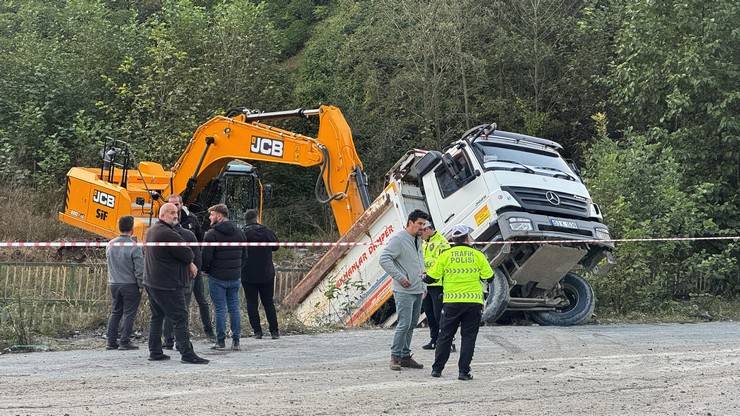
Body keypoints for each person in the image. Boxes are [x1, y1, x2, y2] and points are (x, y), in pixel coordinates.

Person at [426, 224, 493, 380]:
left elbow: (431, 278)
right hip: (473, 302)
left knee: (445, 336)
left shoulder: (446, 255)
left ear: (453, 239)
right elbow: (489, 277)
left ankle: (437, 369)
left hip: (451, 302)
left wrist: (424, 277)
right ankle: (463, 372)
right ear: (466, 238)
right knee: (468, 337)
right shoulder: (478, 255)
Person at [144, 202, 209, 364]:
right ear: (162, 215)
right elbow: (187, 254)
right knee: (180, 317)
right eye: (171, 213)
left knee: (157, 316)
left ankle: (155, 351)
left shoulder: (152, 230)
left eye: (176, 212)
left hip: (152, 281)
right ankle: (187, 353)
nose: (175, 215)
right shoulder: (168, 233)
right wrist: (190, 262)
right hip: (168, 284)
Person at [379, 209, 430, 371]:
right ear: (410, 223)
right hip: (403, 290)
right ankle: (395, 357)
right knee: (404, 323)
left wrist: (424, 286)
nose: (422, 227)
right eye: (420, 224)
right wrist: (400, 277)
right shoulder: (399, 239)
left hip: (417, 289)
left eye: (424, 224)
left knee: (412, 323)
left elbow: (419, 263)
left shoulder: (417, 240)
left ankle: (405, 356)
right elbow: (384, 259)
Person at [166, 194, 214, 341]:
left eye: (176, 204)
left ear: (181, 204)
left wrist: (198, 266)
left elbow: (200, 242)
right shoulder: (164, 222)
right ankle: (172, 337)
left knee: (202, 301)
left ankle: (209, 332)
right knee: (176, 304)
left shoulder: (191, 220)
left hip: (194, 269)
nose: (174, 207)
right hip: (175, 271)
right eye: (171, 205)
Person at [202, 204, 248, 351]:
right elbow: (245, 256)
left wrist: (206, 270)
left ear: (219, 216)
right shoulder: (240, 233)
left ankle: (220, 341)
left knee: (220, 309)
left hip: (217, 277)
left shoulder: (211, 234)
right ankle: (236, 341)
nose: (210, 217)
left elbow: (206, 257)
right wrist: (237, 270)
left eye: (212, 214)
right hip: (234, 277)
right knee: (234, 308)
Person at [105, 216, 144, 350]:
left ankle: (111, 341)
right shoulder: (134, 247)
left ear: (119, 227)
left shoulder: (110, 244)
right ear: (132, 229)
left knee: (116, 312)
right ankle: (125, 341)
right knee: (129, 313)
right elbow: (139, 270)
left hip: (114, 283)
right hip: (130, 284)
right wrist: (141, 285)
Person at [241, 209, 280, 340]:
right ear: (256, 218)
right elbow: (276, 246)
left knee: (251, 303)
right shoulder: (266, 231)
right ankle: (274, 331)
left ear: (245, 220)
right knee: (269, 303)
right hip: (266, 273)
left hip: (248, 274)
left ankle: (257, 332)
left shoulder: (242, 233)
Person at [162, 222, 201, 350]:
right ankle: (181, 342)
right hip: (186, 278)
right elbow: (197, 256)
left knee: (169, 310)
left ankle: (168, 340)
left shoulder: (162, 235)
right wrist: (196, 271)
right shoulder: (189, 235)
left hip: (169, 278)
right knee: (183, 311)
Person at [420, 221, 450, 351]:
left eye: (422, 231)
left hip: (438, 284)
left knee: (440, 315)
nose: (420, 234)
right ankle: (434, 339)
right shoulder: (423, 242)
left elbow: (444, 262)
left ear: (428, 229)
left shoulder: (442, 242)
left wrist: (424, 264)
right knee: (429, 313)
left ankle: (447, 341)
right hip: (425, 283)